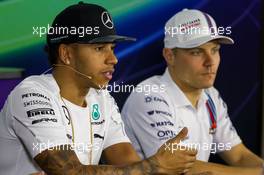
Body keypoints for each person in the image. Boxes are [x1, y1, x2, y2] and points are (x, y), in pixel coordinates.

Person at [0, 2, 203, 175]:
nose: (113, 59)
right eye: (99, 48)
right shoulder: (31, 93)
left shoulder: (101, 97)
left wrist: (158, 167)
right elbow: (68, 171)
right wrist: (154, 166)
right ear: (66, 53)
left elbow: (127, 163)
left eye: (112, 48)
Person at [121, 9, 264, 175]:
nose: (210, 62)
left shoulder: (211, 94)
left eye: (215, 50)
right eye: (197, 52)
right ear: (169, 56)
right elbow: (179, 168)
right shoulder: (149, 95)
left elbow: (238, 156)